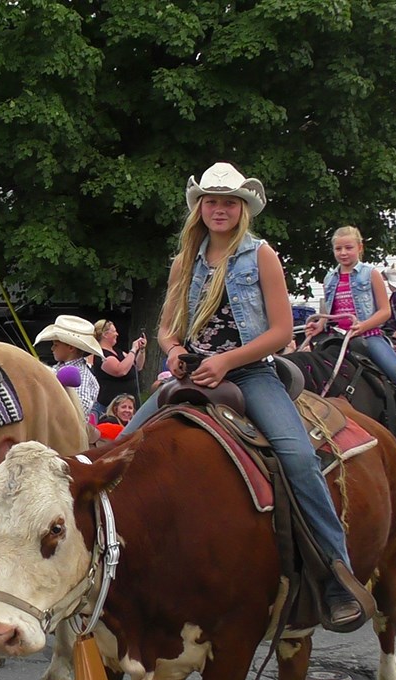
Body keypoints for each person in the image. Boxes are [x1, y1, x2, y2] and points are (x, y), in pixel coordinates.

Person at [120, 162, 373, 632]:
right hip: (194, 372)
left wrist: (228, 361)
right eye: (212, 201)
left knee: (298, 457)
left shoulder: (261, 256)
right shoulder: (184, 261)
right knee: (122, 452)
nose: (220, 208)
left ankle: (336, 574)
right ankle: (112, 567)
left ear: (243, 208)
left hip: (252, 372)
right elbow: (167, 327)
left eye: (229, 201)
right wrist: (175, 351)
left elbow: (279, 332)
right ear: (200, 208)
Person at [309, 227, 396, 452]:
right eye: (338, 248)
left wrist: (363, 325)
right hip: (338, 338)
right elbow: (330, 309)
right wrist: (320, 324)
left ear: (360, 248)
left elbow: (384, 312)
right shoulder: (330, 277)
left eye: (348, 248)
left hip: (368, 336)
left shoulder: (369, 274)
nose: (343, 253)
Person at [35, 315, 103, 419]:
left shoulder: (81, 374)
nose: (52, 348)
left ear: (71, 348)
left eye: (56, 344)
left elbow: (80, 409)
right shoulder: (57, 369)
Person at [90, 319, 147, 417]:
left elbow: (138, 366)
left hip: (128, 407)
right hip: (111, 409)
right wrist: (133, 349)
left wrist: (141, 350)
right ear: (105, 334)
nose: (117, 334)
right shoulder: (102, 355)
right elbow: (121, 370)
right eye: (114, 331)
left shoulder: (119, 352)